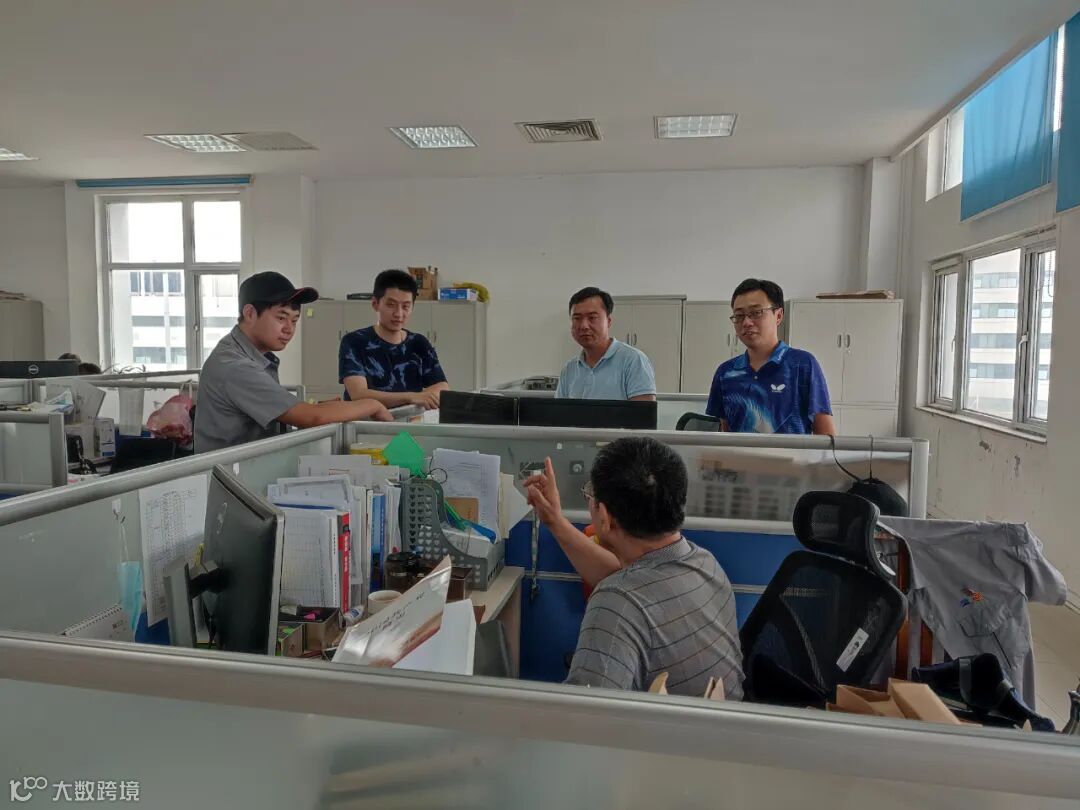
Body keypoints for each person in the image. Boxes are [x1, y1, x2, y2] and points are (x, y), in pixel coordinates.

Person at [525, 437, 744, 698]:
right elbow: (630, 583)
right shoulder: (706, 564)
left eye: (590, 495)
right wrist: (555, 521)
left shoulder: (617, 603)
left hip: (664, 726)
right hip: (720, 719)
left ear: (604, 517)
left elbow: (584, 715)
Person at [194, 271, 392, 453]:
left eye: (295, 320)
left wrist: (317, 409)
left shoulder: (251, 355)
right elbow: (313, 418)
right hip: (229, 474)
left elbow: (290, 415)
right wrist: (372, 404)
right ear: (250, 313)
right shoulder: (235, 366)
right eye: (281, 318)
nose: (289, 329)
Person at [706, 278, 835, 435]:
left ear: (778, 316)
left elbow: (826, 437)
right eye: (739, 315)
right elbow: (725, 436)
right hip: (740, 453)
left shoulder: (802, 365)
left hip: (791, 453)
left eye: (756, 313)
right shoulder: (726, 373)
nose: (746, 322)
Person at [339, 269, 449, 410]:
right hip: (366, 422)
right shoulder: (354, 342)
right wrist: (411, 397)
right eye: (391, 305)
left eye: (406, 306)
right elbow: (359, 394)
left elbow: (442, 386)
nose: (399, 313)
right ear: (375, 304)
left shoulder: (418, 343)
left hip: (410, 422)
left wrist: (422, 397)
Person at [556, 287, 656, 401]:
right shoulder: (569, 369)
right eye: (577, 318)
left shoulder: (633, 361)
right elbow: (559, 411)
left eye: (592, 318)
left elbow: (643, 411)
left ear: (608, 321)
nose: (584, 326)